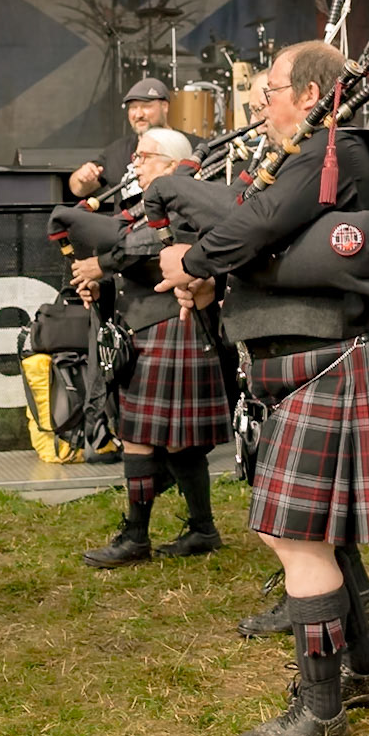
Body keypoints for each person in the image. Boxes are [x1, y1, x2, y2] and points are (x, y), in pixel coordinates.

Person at [157, 40, 369, 736]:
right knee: (319, 535)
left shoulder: (330, 150)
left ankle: (319, 708)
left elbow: (258, 222)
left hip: (333, 362)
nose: (258, 99)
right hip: (325, 363)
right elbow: (259, 226)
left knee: (292, 536)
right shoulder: (329, 151)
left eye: (270, 87)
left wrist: (188, 260)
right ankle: (368, 669)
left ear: (311, 94)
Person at [70, 127, 232, 567]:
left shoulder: (183, 203)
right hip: (146, 327)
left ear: (174, 165)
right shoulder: (140, 206)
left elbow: (139, 251)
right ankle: (202, 529)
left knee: (143, 438)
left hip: (172, 326)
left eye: (145, 157)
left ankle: (138, 537)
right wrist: (97, 286)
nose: (135, 164)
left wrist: (100, 265)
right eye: (136, 157)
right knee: (171, 442)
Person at [69, 77, 188, 204]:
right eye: (133, 108)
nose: (138, 114)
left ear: (165, 107)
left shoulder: (191, 146)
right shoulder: (117, 151)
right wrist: (82, 178)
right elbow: (77, 189)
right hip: (125, 222)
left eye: (146, 106)